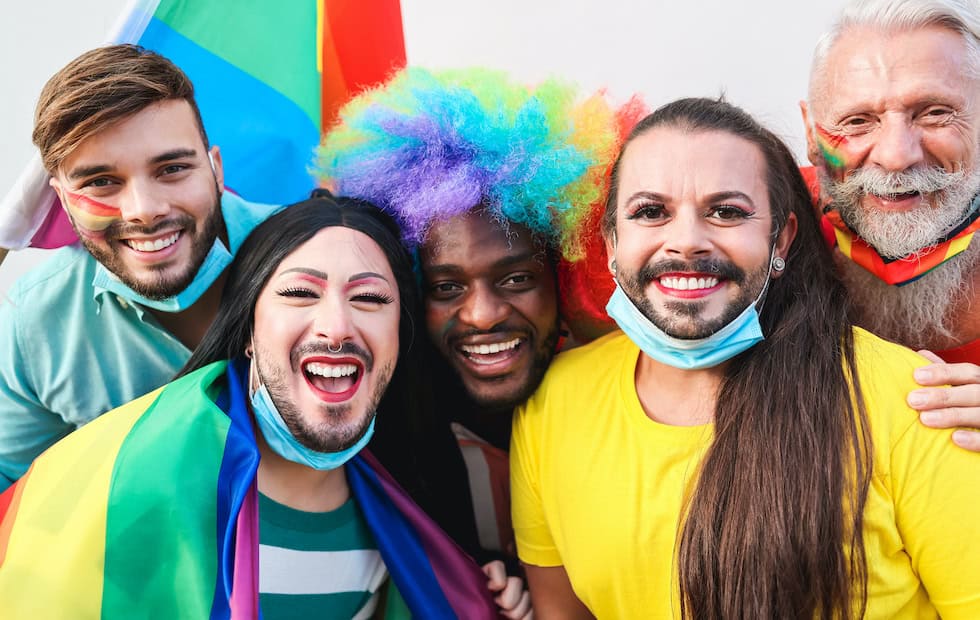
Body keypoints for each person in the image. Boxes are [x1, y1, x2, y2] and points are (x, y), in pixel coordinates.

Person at [511, 98, 980, 618]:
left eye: (727, 212)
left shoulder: (918, 402)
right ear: (611, 244)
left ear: (780, 240)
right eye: (650, 212)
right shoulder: (552, 403)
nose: (686, 242)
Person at [0, 193, 505, 618]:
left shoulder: (413, 511)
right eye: (300, 292)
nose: (336, 327)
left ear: (399, 338)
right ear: (248, 330)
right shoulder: (125, 483)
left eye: (370, 299)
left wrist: (493, 599)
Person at [319, 67, 624, 561]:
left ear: (567, 275)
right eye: (446, 287)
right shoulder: (377, 429)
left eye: (516, 279)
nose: (482, 315)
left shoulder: (623, 395)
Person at [0, 44, 281, 489]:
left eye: (172, 169)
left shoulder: (319, 257)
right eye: (100, 182)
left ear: (215, 169)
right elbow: (12, 492)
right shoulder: (34, 320)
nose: (144, 210)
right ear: (63, 203)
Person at [801, 0, 980, 450]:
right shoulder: (760, 218)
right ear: (811, 134)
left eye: (935, 112)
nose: (897, 155)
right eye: (858, 122)